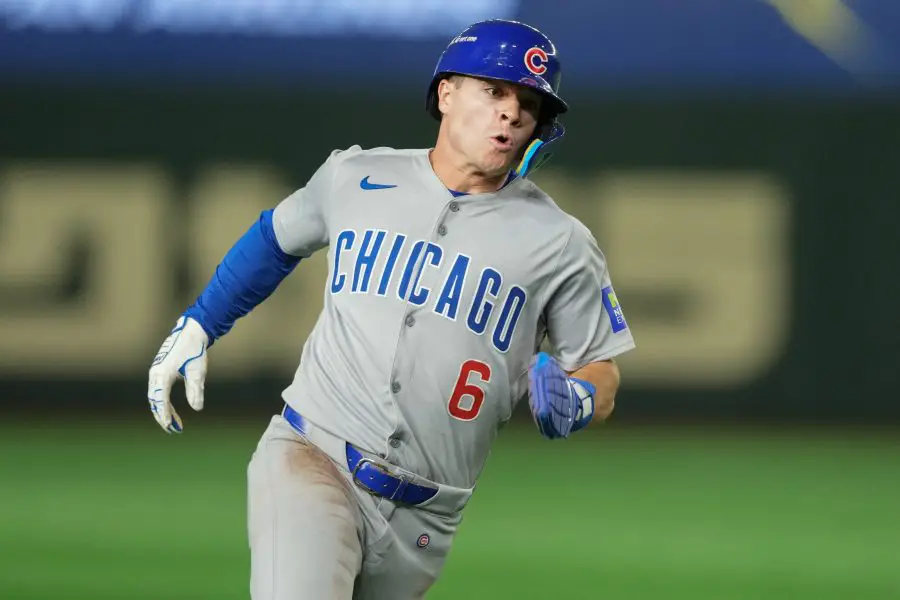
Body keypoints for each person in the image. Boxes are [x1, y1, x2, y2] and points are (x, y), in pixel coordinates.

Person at [146, 18, 635, 600]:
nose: (510, 112)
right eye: (495, 90)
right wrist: (202, 320)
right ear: (446, 93)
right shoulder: (357, 176)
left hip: (427, 519)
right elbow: (275, 239)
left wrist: (578, 400)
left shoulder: (562, 242)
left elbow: (600, 370)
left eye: (528, 104)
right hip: (313, 456)